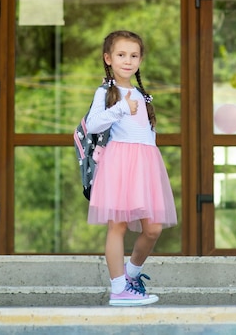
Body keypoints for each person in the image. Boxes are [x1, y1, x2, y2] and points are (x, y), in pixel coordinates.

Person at [85, 30, 178, 306]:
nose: (128, 60)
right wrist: (121, 108)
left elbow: (148, 132)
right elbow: (93, 125)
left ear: (140, 59)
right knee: (118, 225)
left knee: (153, 228)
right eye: (121, 55)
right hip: (120, 161)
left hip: (145, 163)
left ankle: (132, 274)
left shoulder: (141, 93)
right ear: (108, 58)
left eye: (134, 55)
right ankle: (118, 290)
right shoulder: (105, 92)